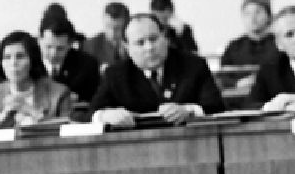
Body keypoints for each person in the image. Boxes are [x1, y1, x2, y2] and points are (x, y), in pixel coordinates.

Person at [89, 12, 224, 127]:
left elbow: (216, 106)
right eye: (140, 43)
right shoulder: (116, 74)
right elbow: (90, 113)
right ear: (127, 47)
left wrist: (189, 110)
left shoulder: (193, 65)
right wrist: (105, 115)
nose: (149, 48)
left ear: (164, 37)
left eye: (153, 39)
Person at [0, 31, 73, 130]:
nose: (13, 63)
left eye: (20, 56)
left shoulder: (59, 93)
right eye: (7, 57)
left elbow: (68, 131)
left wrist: (30, 111)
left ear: (32, 60)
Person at [39, 15, 100, 103]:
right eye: (48, 47)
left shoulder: (87, 65)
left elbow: (94, 101)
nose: (53, 53)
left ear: (70, 44)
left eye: (60, 48)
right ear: (39, 40)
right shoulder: (28, 62)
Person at [221, 0, 278, 68]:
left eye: (258, 12)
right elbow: (224, 77)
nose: (252, 18)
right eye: (247, 13)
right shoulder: (234, 47)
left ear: (269, 15)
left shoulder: (279, 44)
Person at [83, 2, 131, 69]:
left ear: (127, 24)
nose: (112, 33)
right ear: (103, 20)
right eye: (108, 26)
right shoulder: (89, 47)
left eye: (117, 28)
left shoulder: (137, 43)